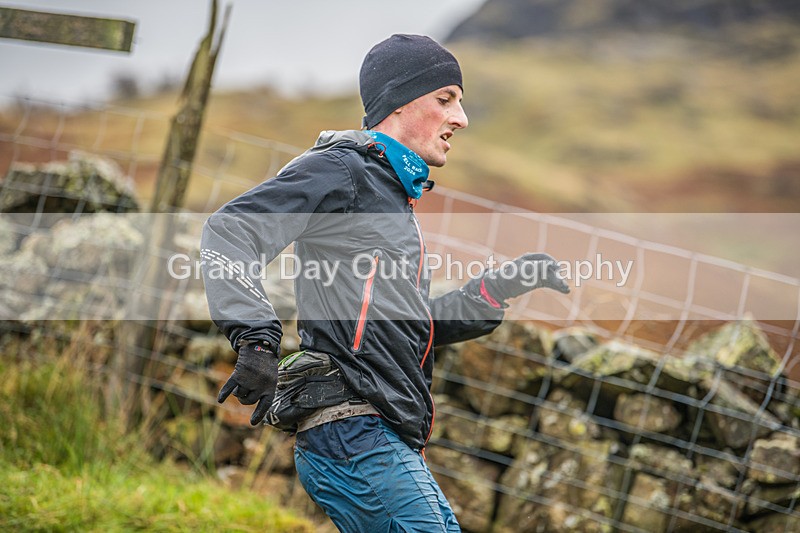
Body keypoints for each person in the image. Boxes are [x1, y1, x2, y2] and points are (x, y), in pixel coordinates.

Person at [200, 34, 569, 533]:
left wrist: (495, 290)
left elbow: (404, 324)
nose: (461, 118)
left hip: (378, 437)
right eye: (446, 99)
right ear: (400, 102)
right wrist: (255, 337)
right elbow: (231, 230)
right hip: (352, 433)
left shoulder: (389, 195)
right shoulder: (343, 170)